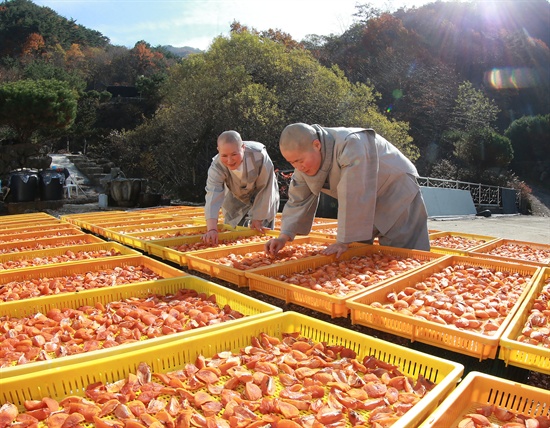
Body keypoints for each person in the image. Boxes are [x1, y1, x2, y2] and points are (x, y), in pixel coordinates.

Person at [265, 123, 430, 257]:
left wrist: (343, 241)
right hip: (366, 199)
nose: (297, 167)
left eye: (300, 161)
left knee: (402, 254)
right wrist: (283, 237)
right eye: (292, 162)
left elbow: (354, 191)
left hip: (395, 188)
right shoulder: (302, 167)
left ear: (317, 145)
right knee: (361, 253)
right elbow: (297, 200)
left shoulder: (350, 143)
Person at [203, 130, 280, 244]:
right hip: (235, 193)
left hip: (261, 194)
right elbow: (212, 194)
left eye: (234, 154)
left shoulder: (259, 155)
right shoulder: (216, 166)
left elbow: (266, 187)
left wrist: (258, 218)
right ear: (218, 151)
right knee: (234, 232)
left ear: (243, 147)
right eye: (224, 155)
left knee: (260, 231)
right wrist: (212, 229)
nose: (229, 160)